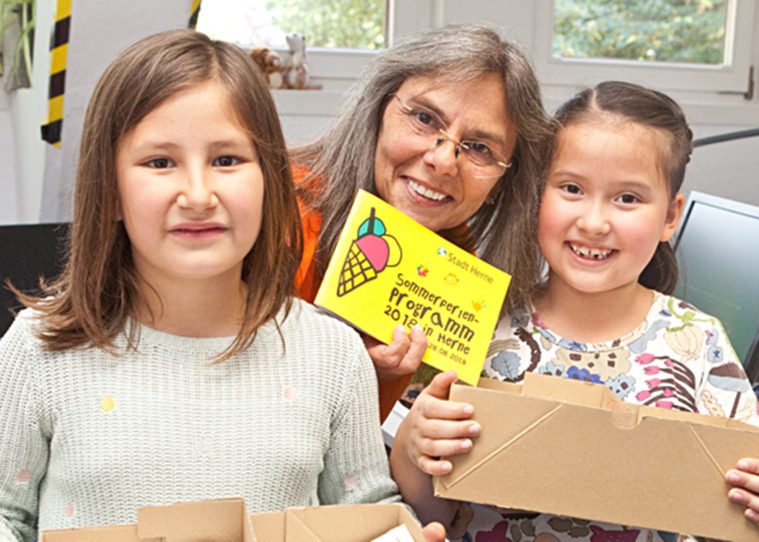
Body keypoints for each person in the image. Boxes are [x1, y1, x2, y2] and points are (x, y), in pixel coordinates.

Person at [0, 29, 444, 542]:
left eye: (227, 160)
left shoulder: (332, 356)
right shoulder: (38, 351)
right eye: (160, 162)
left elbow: (366, 507)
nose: (197, 193)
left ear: (269, 179)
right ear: (111, 190)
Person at [390, 81, 759, 541]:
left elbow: (750, 506)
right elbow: (429, 509)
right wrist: (415, 446)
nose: (593, 222)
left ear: (670, 217)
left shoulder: (698, 342)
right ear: (537, 196)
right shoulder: (484, 323)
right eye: (571, 188)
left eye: (627, 198)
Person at [290, 23, 555, 420]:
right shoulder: (282, 209)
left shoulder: (452, 254)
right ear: (378, 110)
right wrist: (345, 369)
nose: (443, 160)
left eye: (479, 148)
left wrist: (373, 375)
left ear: (504, 182)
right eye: (426, 119)